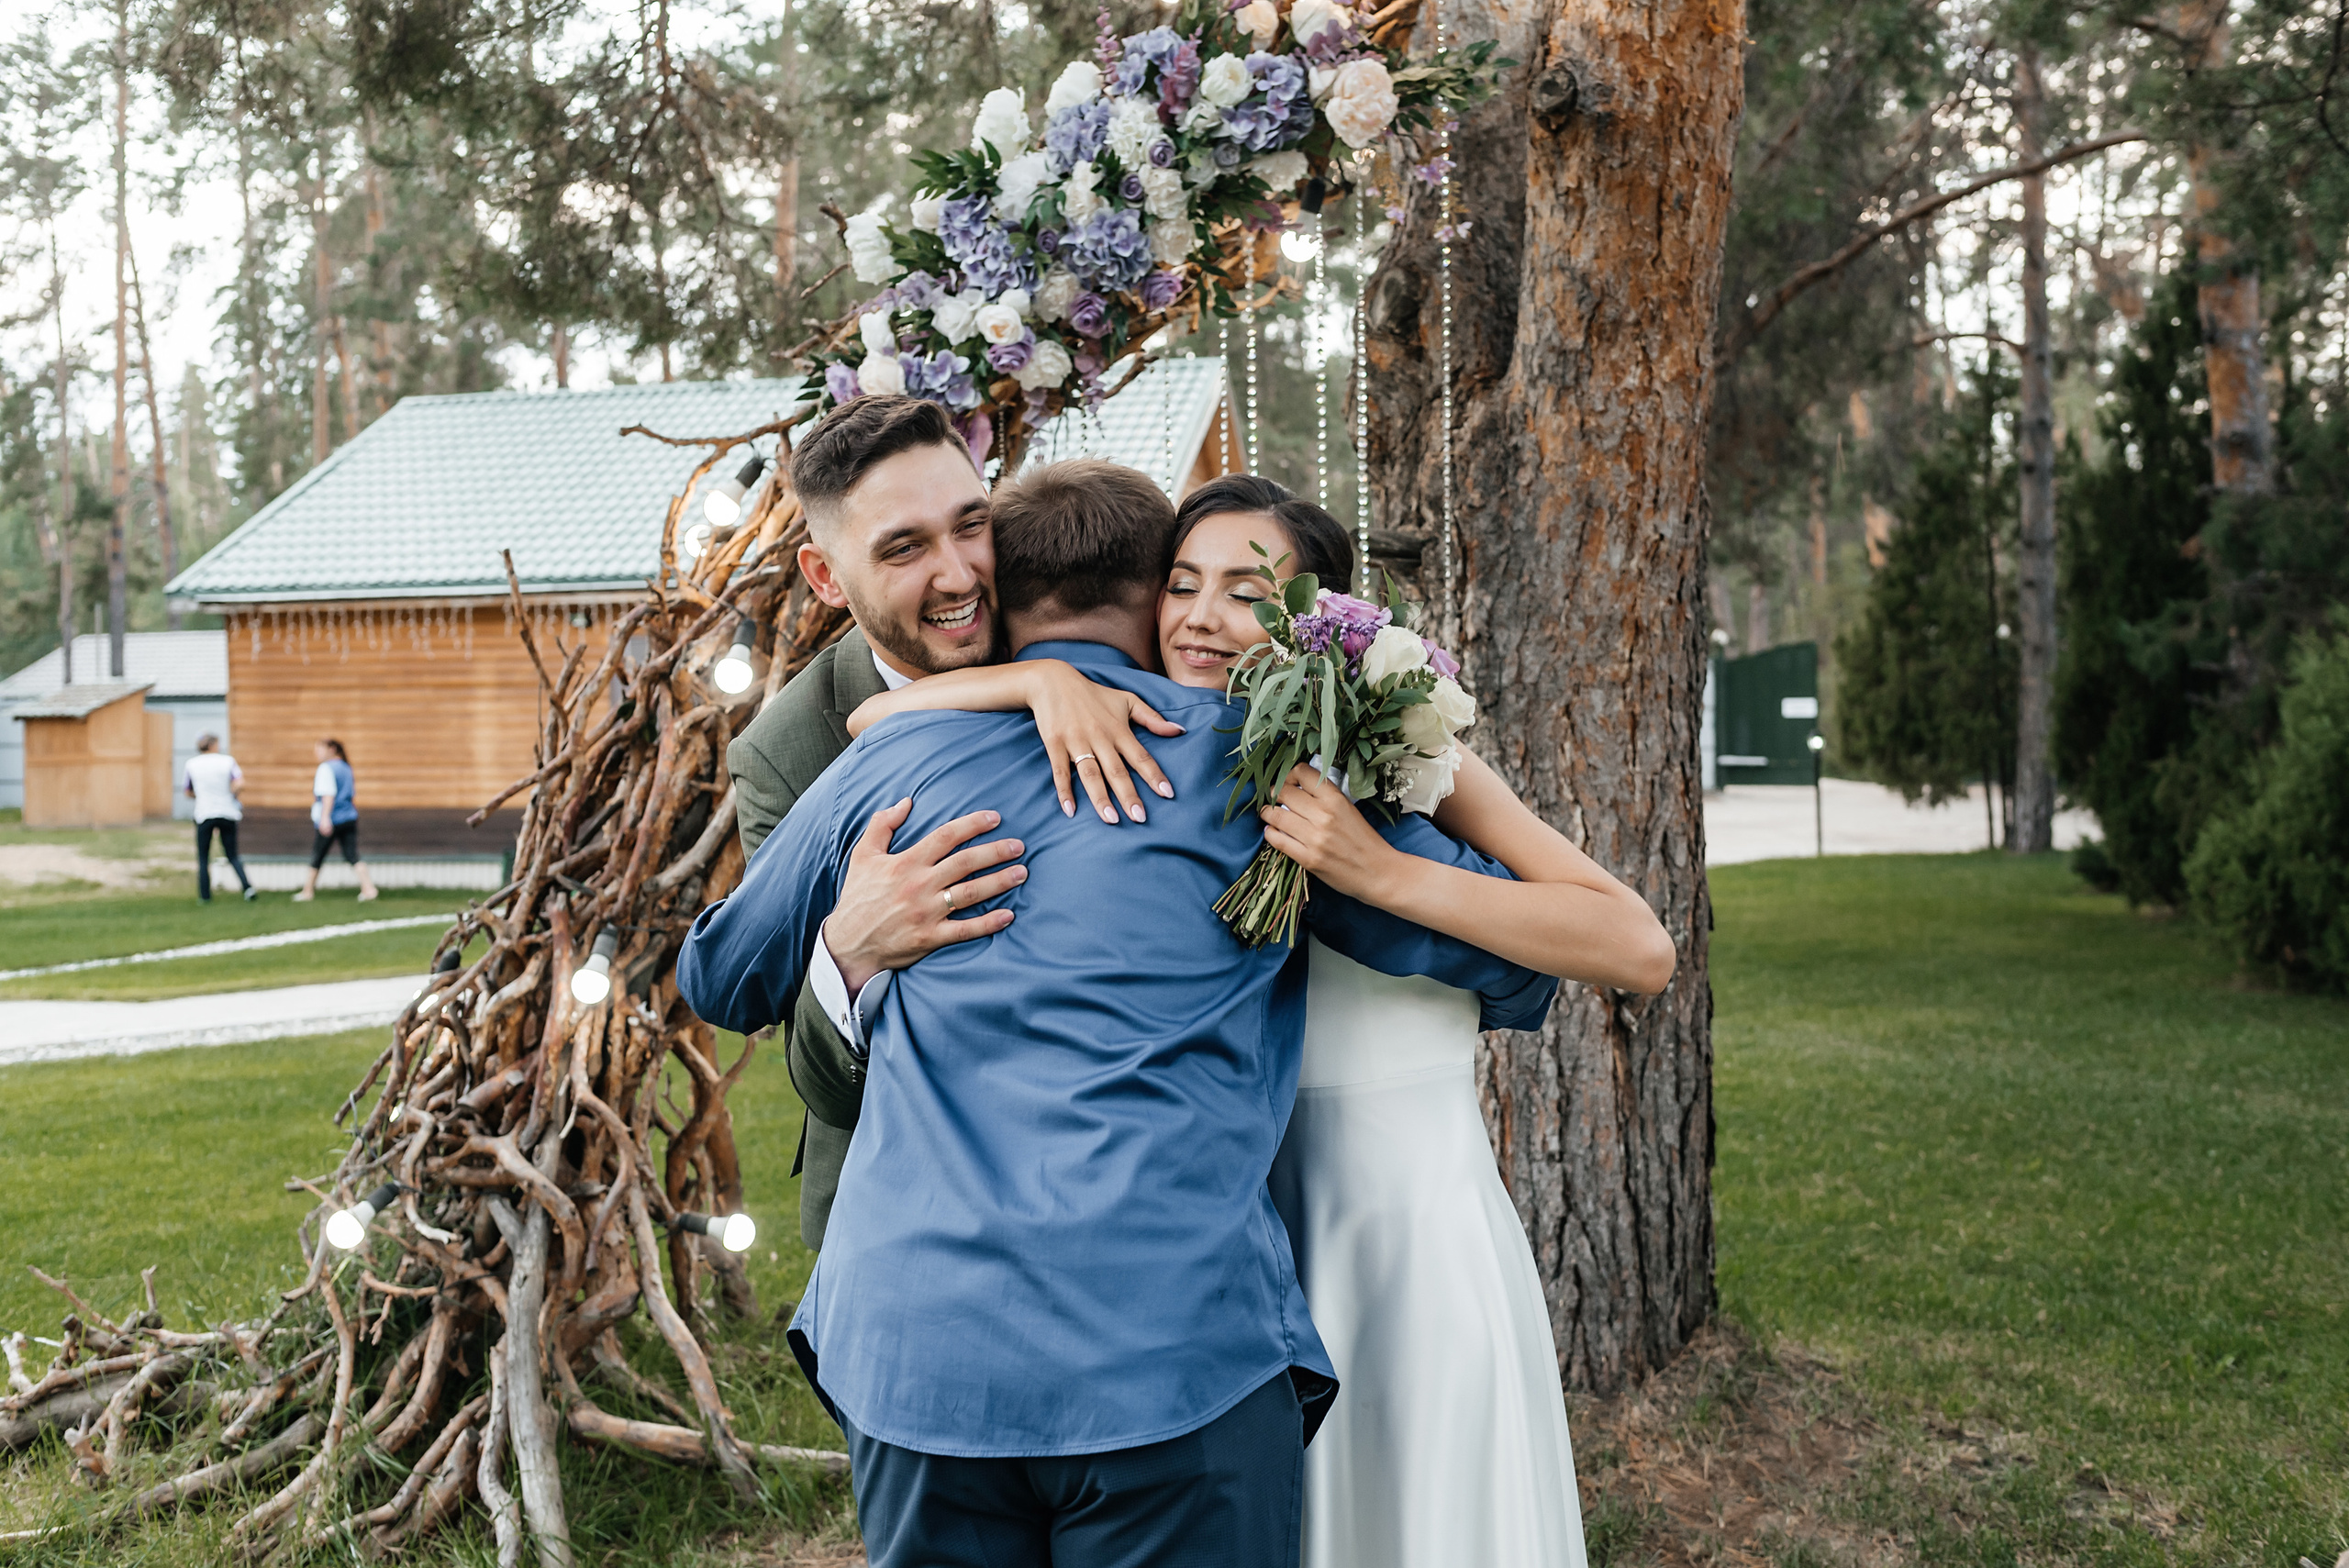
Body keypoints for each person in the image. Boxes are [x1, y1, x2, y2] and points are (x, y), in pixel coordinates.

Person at [678, 458, 1559, 1566]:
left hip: (920, 1353)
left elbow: (717, 977)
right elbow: (1515, 965)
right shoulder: (1257, 764)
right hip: (1173, 1356)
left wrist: (840, 929)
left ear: (1002, 599)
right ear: (1153, 593)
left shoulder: (885, 759)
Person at [721, 395, 1177, 1248]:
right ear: (825, 576)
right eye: (904, 547)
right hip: (905, 1214)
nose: (961, 574)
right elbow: (806, 1062)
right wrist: (849, 953)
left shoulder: (1071, 620)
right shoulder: (788, 749)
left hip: (1137, 1186)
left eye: (970, 525)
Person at [295, 738, 378, 902]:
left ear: (331, 749)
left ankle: (307, 891)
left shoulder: (326, 768)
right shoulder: (345, 767)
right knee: (352, 855)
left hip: (332, 819)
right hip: (349, 817)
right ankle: (369, 888)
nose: (317, 753)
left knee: (317, 854)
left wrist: (325, 818)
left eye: (319, 749)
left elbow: (328, 795)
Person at [182, 731, 257, 903]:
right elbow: (240, 783)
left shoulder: (192, 764)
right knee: (232, 854)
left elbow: (187, 791)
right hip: (227, 811)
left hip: (204, 813)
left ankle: (204, 896)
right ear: (213, 745)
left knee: (203, 856)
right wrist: (231, 794)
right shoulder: (227, 761)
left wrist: (201, 796)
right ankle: (247, 888)